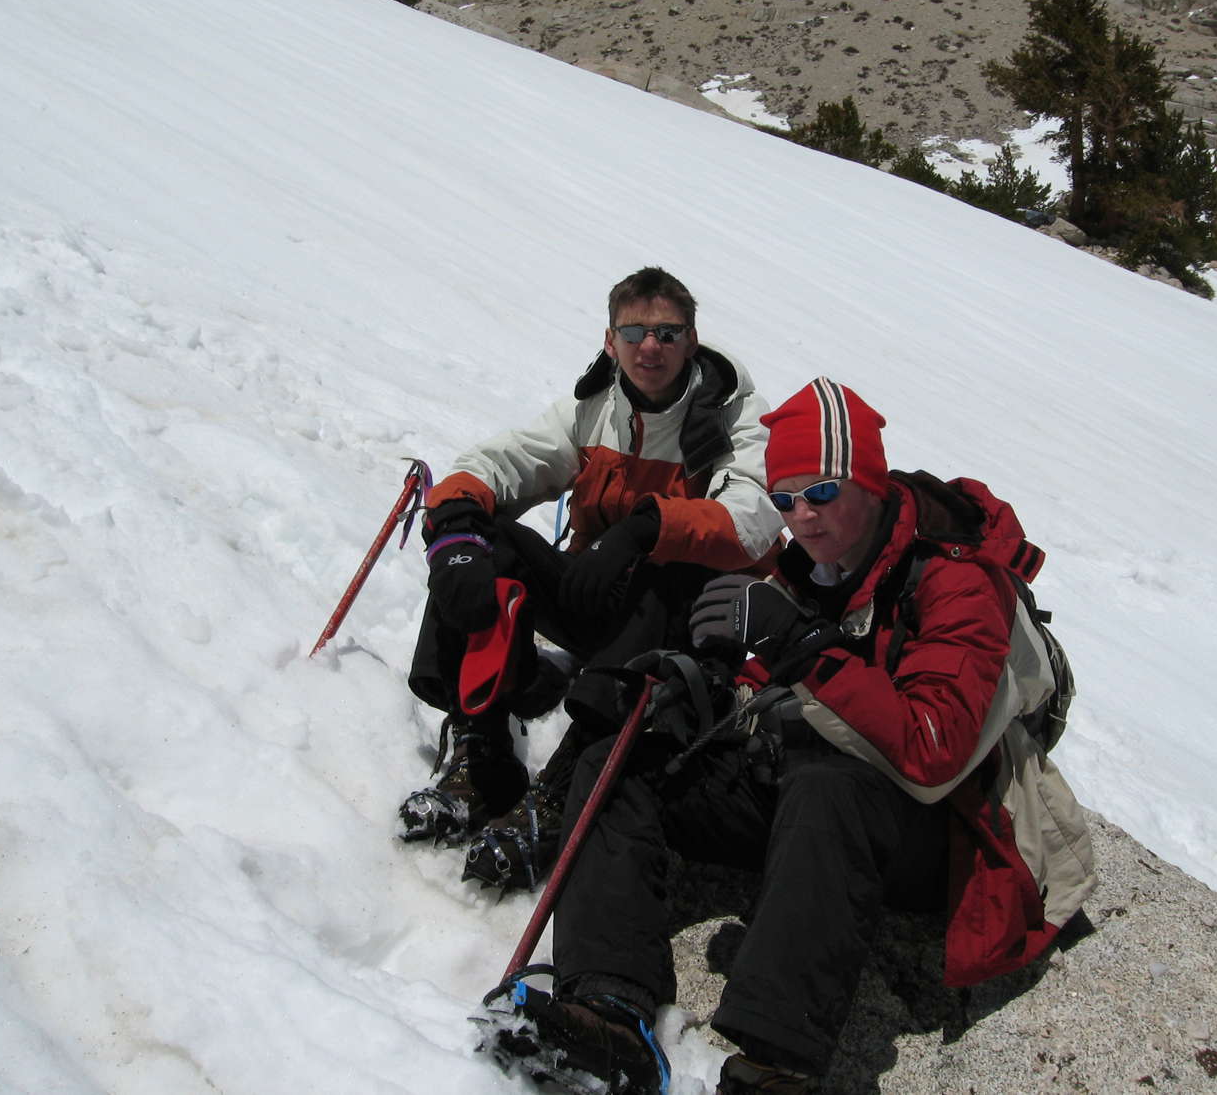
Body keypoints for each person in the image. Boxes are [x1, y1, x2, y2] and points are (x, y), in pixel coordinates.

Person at [492, 377, 1096, 1095]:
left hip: (948, 826)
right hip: (811, 803)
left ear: (869, 483)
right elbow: (766, 684)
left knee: (828, 783)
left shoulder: (957, 582)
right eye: (784, 500)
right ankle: (611, 1009)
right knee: (622, 762)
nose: (801, 516)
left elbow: (935, 751)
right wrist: (694, 685)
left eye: (821, 492)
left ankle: (778, 1065)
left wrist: (801, 645)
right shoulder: (809, 569)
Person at [399, 266, 784, 890]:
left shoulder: (735, 417)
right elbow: (510, 460)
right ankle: (483, 754)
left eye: (667, 332)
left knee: (667, 577)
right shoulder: (595, 406)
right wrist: (455, 524)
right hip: (601, 598)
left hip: (694, 627)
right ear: (610, 341)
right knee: (484, 544)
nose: (649, 346)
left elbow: (752, 519)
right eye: (633, 332)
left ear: (691, 340)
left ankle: (562, 787)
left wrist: (646, 529)